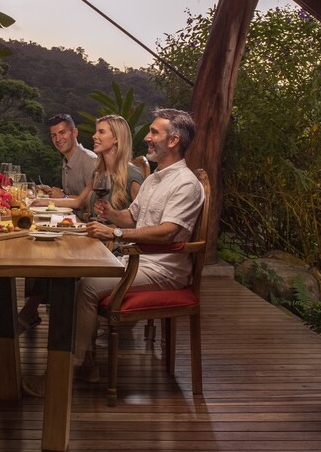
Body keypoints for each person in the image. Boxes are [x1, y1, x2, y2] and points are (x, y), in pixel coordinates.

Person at [22, 108, 204, 397]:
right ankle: (84, 362)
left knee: (86, 286)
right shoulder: (155, 178)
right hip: (136, 259)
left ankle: (66, 371)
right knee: (70, 280)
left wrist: (116, 233)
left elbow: (168, 232)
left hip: (163, 269)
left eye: (154, 132)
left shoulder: (185, 183)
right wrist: (110, 214)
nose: (147, 137)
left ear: (173, 141)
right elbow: (131, 217)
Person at [20, 114, 144, 330]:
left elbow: (144, 222)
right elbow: (78, 201)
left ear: (117, 138)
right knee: (46, 252)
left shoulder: (132, 175)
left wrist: (113, 227)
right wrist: (36, 201)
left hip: (113, 247)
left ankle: (59, 331)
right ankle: (51, 324)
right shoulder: (100, 172)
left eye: (101, 132)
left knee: (55, 260)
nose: (94, 136)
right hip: (94, 237)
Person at [44, 113, 98, 201]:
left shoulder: (90, 160)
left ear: (74, 133)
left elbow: (95, 201)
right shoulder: (66, 161)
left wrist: (63, 197)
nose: (58, 139)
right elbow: (73, 194)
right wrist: (50, 191)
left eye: (62, 133)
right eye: (54, 135)